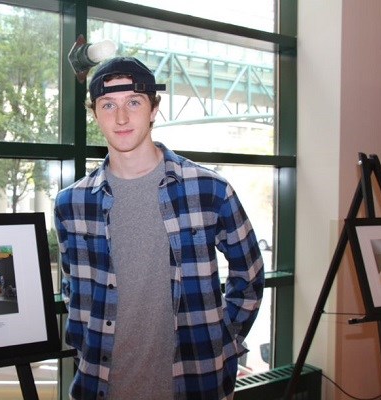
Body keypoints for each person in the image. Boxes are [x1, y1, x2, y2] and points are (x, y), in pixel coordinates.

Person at [54, 56, 265, 400]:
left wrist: (222, 338)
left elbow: (250, 274)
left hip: (197, 382)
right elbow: (74, 290)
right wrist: (83, 347)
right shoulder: (71, 203)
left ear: (153, 109)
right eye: (108, 105)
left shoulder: (209, 190)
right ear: (95, 114)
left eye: (133, 103)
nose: (121, 117)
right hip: (101, 385)